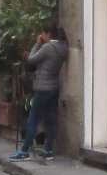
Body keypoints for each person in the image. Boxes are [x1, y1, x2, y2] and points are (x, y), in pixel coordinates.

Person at [11, 26, 69, 162]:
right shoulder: (63, 47)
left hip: (42, 88)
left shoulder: (48, 47)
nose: (41, 35)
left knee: (33, 119)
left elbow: (31, 59)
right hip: (54, 87)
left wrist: (37, 43)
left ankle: (24, 151)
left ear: (48, 34)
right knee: (51, 119)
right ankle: (48, 150)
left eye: (43, 33)